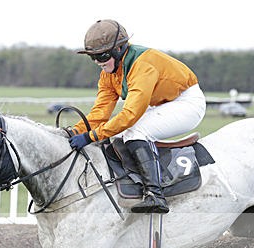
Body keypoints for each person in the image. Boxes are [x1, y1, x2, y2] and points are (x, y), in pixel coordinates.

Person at [68, 19, 206, 214]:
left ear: (119, 49)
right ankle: (135, 183)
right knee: (119, 136)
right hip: (162, 104)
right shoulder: (108, 73)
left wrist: (91, 137)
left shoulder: (142, 64)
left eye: (102, 55)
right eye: (93, 57)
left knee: (135, 131)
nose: (98, 62)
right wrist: (74, 131)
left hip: (186, 102)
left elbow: (130, 115)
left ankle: (155, 195)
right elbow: (100, 114)